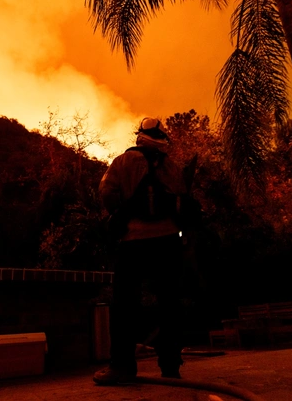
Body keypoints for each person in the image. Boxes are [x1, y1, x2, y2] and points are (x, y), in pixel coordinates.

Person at [93, 117, 188, 385]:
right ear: (161, 139)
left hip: (133, 242)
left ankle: (121, 367)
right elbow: (183, 198)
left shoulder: (122, 162)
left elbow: (107, 194)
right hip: (168, 242)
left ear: (139, 136)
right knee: (169, 302)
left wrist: (120, 215)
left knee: (124, 304)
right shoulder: (171, 167)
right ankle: (170, 366)